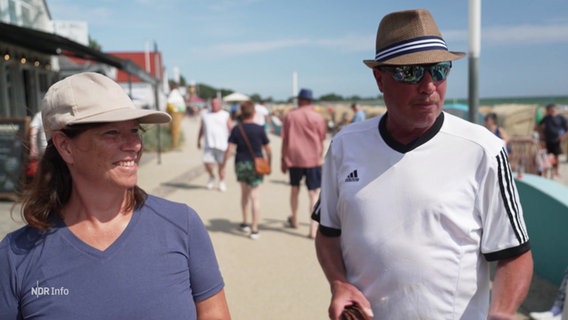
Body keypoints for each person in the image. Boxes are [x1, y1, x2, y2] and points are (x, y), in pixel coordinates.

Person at [312, 9, 533, 320]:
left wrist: (500, 313)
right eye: (412, 72)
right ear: (379, 79)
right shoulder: (344, 145)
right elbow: (328, 232)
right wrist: (338, 282)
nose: (429, 85)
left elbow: (515, 254)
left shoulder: (483, 150)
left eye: (439, 70)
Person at [0, 72, 231, 319]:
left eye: (134, 130)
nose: (134, 144)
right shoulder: (16, 254)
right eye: (112, 132)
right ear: (65, 146)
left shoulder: (181, 226)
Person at [281, 88, 327, 239]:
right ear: (310, 100)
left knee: (294, 190)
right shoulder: (317, 117)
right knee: (313, 193)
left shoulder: (290, 116)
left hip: (294, 158)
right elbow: (322, 139)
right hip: (313, 159)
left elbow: (285, 139)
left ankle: (294, 219)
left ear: (300, 100)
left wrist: (283, 158)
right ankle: (313, 229)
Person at [222, 100, 271, 240]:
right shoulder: (260, 129)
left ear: (242, 113)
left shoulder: (237, 129)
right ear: (254, 112)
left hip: (241, 164)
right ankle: (254, 228)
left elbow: (229, 149)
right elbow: (268, 149)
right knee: (255, 196)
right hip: (256, 165)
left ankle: (245, 223)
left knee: (244, 194)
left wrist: (223, 166)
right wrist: (270, 163)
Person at [198, 97, 233, 191]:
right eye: (212, 103)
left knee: (222, 166)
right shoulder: (205, 114)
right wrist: (198, 140)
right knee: (207, 164)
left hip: (222, 145)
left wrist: (232, 144)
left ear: (220, 104)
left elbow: (231, 129)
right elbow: (201, 128)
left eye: (216, 103)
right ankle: (211, 176)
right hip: (209, 144)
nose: (214, 105)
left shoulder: (225, 115)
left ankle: (222, 181)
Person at [536, 103, 568, 177]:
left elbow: (566, 129)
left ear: (554, 109)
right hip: (547, 140)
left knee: (556, 156)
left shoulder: (560, 118)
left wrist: (563, 136)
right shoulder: (546, 118)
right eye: (548, 110)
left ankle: (556, 170)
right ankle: (547, 171)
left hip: (557, 140)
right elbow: (538, 126)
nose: (550, 111)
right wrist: (541, 135)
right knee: (546, 156)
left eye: (551, 109)